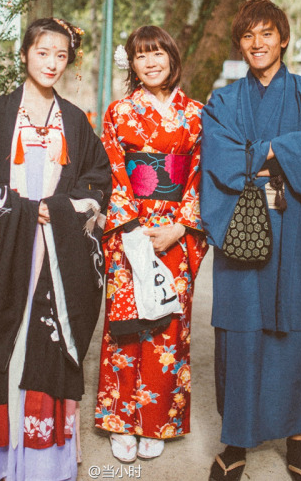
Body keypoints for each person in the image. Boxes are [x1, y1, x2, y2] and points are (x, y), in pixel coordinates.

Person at [0, 18, 112, 481]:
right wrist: (20, 210)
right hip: (3, 258)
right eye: (42, 53)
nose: (52, 63)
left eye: (60, 55)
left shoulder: (75, 121)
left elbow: (98, 181)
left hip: (54, 256)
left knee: (45, 348)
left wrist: (61, 209)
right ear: (24, 54)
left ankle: (40, 464)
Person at [200, 0, 301, 481]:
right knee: (240, 331)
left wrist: (265, 152)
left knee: (295, 330)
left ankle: (296, 444)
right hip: (242, 224)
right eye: (248, 36)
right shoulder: (223, 101)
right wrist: (283, 147)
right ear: (239, 44)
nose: (257, 44)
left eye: (267, 34)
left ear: (283, 38)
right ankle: (235, 442)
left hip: (295, 225)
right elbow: (219, 157)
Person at [95, 26, 208, 462]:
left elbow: (199, 174)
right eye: (141, 56)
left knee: (168, 326)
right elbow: (113, 171)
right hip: (131, 231)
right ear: (132, 64)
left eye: (157, 53)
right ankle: (121, 420)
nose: (150, 62)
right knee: (127, 323)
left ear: (172, 58)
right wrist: (131, 228)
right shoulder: (119, 112)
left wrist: (182, 227)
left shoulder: (196, 114)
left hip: (176, 230)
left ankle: (158, 421)